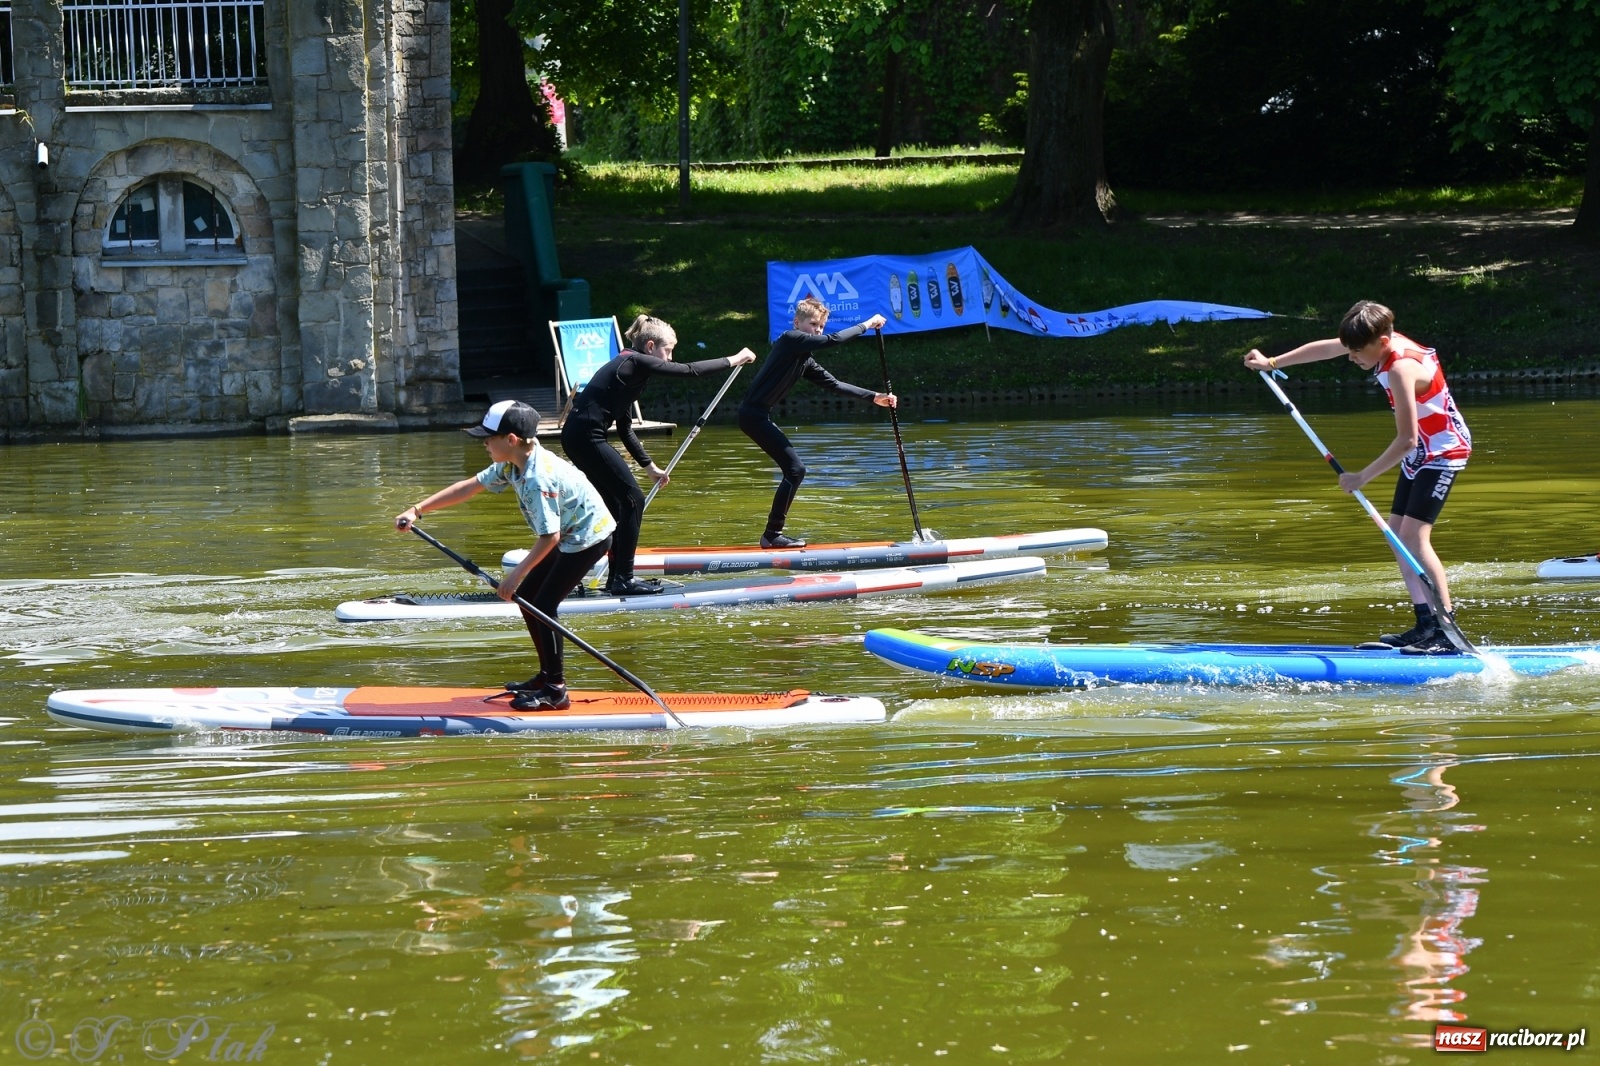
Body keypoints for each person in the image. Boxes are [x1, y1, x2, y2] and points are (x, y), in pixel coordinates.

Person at [1244, 300, 1472, 653]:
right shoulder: (1377, 339)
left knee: (1414, 536)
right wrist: (1272, 363)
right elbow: (1326, 348)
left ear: (1382, 343)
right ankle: (1425, 622)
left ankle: (1447, 630)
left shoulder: (1401, 368)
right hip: (1419, 453)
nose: (1351, 358)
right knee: (1396, 534)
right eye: (1348, 350)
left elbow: (1407, 438)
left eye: (1356, 352)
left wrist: (1361, 477)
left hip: (1443, 452)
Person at [395, 400, 616, 709]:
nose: (484, 443)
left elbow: (549, 536)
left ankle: (556, 690)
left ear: (511, 440)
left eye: (488, 437)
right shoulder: (513, 462)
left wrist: (514, 574)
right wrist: (417, 509)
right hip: (566, 534)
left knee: (542, 604)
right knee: (529, 598)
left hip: (586, 538)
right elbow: (469, 487)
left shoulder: (539, 478)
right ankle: (546, 676)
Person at [561, 314, 756, 596]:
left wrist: (649, 466)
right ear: (650, 346)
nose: (670, 357)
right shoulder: (633, 361)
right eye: (668, 351)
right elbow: (689, 370)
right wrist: (734, 359)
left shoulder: (630, 371)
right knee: (633, 499)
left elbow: (626, 429)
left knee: (620, 506)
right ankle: (623, 579)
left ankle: (616, 578)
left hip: (579, 437)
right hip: (585, 437)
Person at [737, 296, 896, 548]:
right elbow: (834, 340)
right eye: (813, 324)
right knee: (796, 470)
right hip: (751, 415)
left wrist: (875, 397)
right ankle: (771, 535)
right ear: (797, 323)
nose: (818, 331)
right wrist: (867, 324)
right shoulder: (790, 339)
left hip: (758, 416)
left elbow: (834, 384)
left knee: (795, 470)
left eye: (821, 326)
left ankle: (772, 535)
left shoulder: (804, 359)